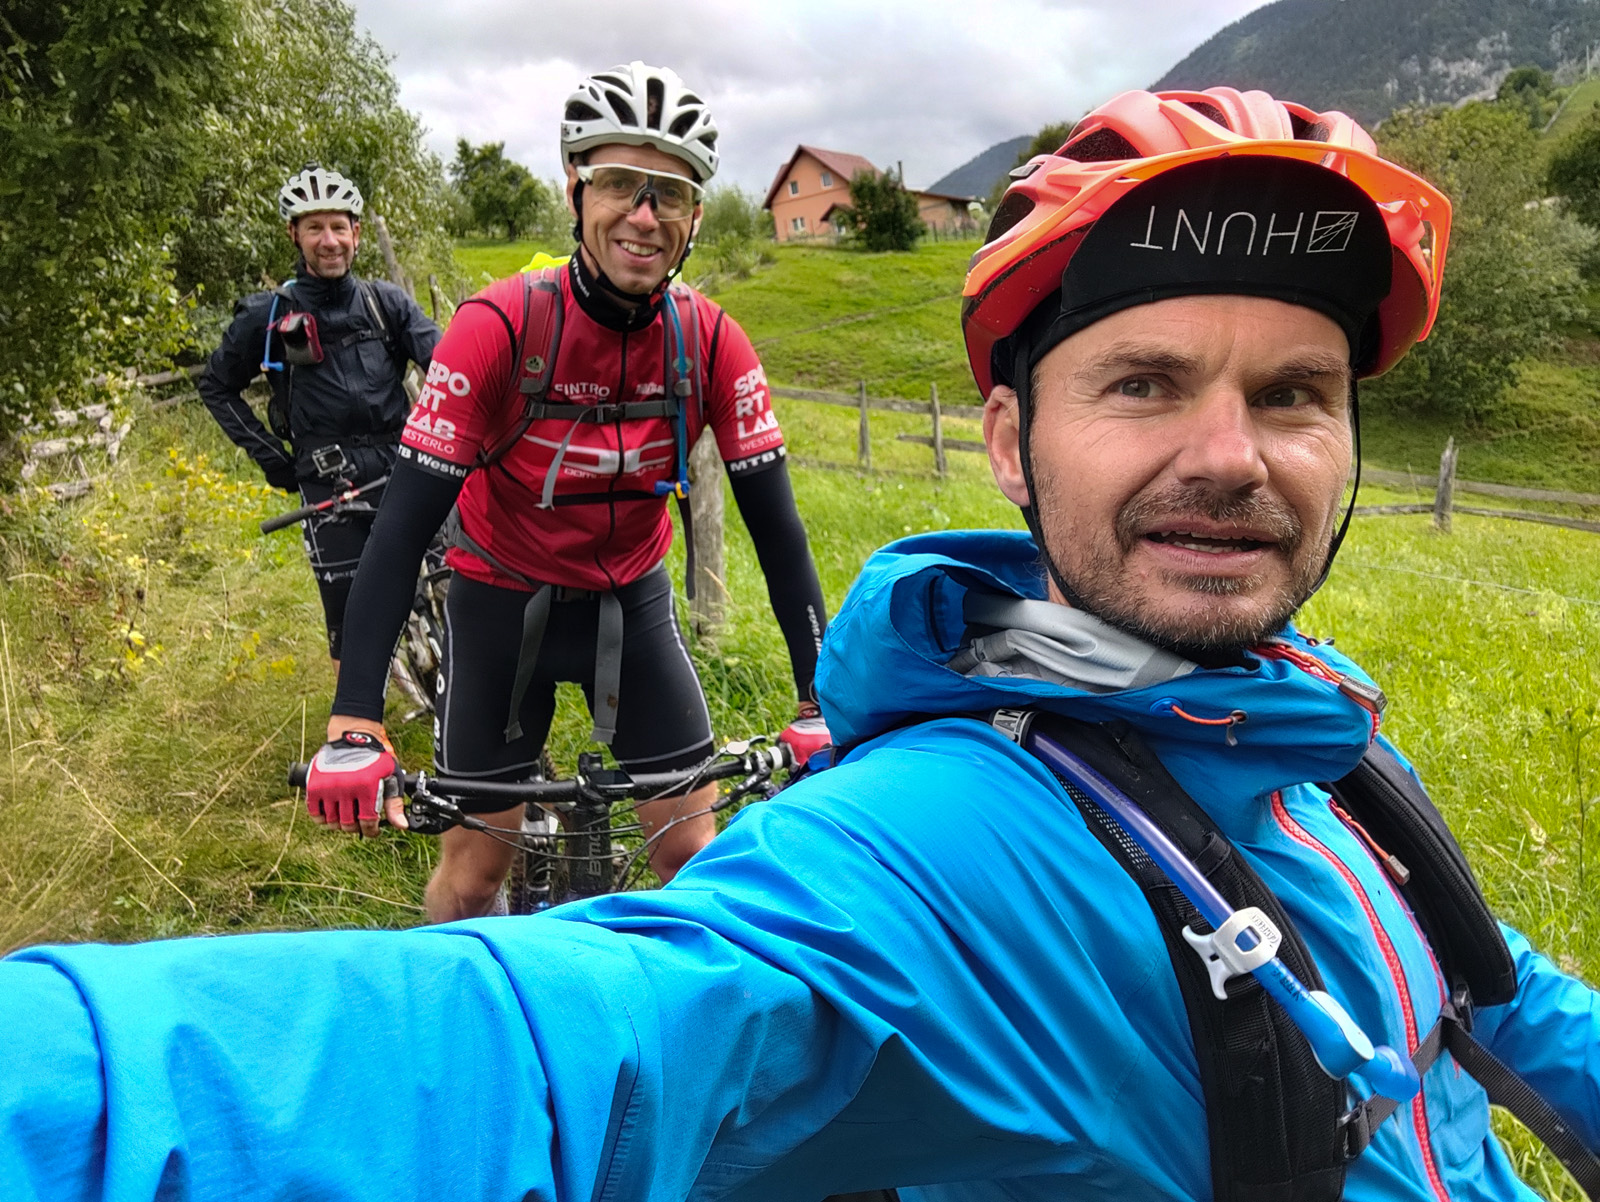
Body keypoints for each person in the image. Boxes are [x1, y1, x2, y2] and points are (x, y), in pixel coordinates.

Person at [4, 87, 1598, 1202]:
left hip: (627, 587)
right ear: (1009, 440)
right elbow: (561, 1042)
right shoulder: (937, 857)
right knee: (481, 848)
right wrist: (359, 718)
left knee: (684, 822)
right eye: (1142, 383)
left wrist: (836, 686)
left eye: (1296, 392)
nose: (1233, 455)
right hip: (496, 584)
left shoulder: (1328, 752)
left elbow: (769, 517)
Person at [302, 61, 832, 912]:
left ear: (696, 216)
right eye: (620, 184)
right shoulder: (498, 325)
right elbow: (399, 532)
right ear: (577, 190)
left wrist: (818, 697)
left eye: (670, 193)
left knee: (693, 857)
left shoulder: (712, 342)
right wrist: (356, 718)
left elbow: (779, 533)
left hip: (632, 605)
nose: (644, 215)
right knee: (474, 876)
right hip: (498, 601)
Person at [198, 163, 441, 668]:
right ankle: (360, 717)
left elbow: (450, 369)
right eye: (314, 228)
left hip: (404, 467)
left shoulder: (385, 303)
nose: (329, 241)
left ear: (356, 233)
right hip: (329, 483)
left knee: (452, 588)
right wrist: (274, 459)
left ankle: (457, 692)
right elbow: (217, 385)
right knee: (351, 632)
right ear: (294, 234)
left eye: (338, 227)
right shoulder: (267, 316)